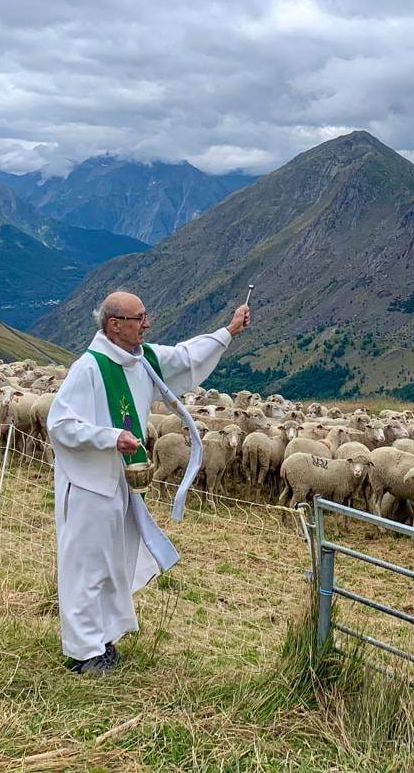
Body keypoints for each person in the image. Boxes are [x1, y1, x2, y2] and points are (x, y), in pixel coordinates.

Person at [46, 289, 249, 675]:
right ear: (114, 325)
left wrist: (228, 332)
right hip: (89, 483)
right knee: (86, 564)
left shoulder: (144, 361)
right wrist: (110, 437)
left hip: (121, 483)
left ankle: (103, 639)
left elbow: (187, 357)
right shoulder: (89, 368)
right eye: (139, 318)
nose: (147, 324)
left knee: (114, 562)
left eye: (145, 316)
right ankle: (82, 652)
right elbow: (61, 424)